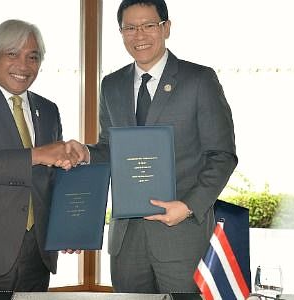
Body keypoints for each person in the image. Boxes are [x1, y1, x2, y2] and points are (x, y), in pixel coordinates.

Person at [87, 0, 237, 293]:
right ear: (121, 32)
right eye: (130, 27)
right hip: (126, 239)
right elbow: (110, 147)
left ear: (166, 28)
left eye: (148, 25)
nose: (139, 35)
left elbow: (222, 155)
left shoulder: (199, 80)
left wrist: (189, 206)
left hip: (181, 235)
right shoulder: (111, 85)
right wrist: (84, 153)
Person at [0, 19, 86, 292]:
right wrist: (39, 154)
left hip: (38, 253)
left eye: (33, 57)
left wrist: (68, 228)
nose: (24, 65)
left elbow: (52, 180)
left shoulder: (48, 109)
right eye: (12, 54)